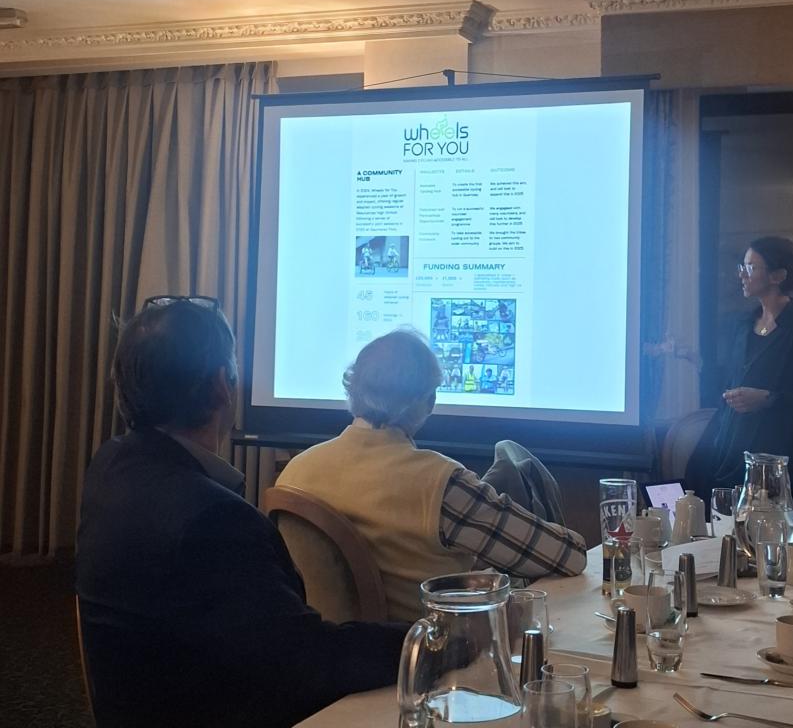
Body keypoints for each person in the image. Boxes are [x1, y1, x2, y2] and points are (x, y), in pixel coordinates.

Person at [76, 297, 406, 728]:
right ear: (221, 385)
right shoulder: (213, 519)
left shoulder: (110, 466)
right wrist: (431, 637)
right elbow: (307, 662)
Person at [277, 329, 587, 623]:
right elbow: (568, 557)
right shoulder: (442, 484)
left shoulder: (294, 474)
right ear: (428, 401)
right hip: (432, 651)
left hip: (322, 653)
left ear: (352, 390)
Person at [685, 236, 793, 499]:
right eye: (742, 267)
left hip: (774, 456)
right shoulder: (743, 325)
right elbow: (731, 381)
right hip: (730, 446)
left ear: (777, 276)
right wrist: (697, 362)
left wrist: (769, 399)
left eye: (750, 267)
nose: (742, 275)